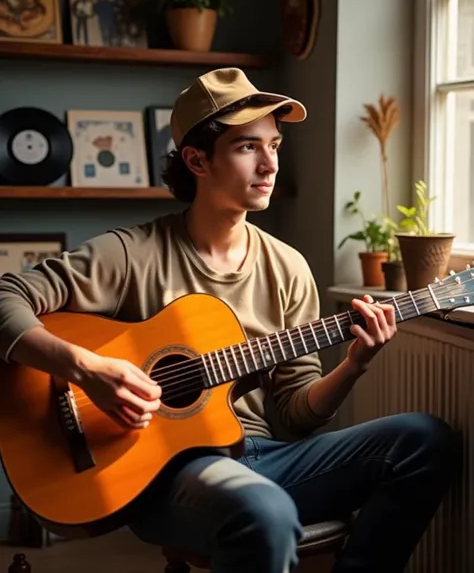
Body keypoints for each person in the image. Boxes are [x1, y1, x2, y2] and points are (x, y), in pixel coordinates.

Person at [0, 68, 461, 573]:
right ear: (198, 160)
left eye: (275, 145)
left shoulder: (287, 266)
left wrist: (354, 363)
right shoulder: (131, 253)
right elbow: (7, 295)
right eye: (248, 147)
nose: (270, 164)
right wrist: (87, 369)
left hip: (269, 458)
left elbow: (291, 413)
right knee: (265, 512)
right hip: (171, 474)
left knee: (425, 440)